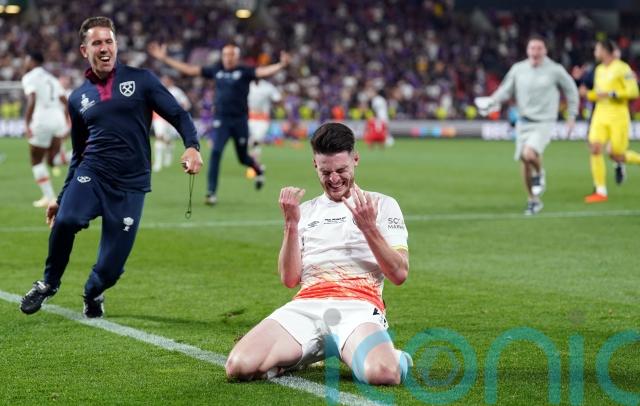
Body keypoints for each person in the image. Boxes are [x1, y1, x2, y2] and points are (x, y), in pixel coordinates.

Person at [19, 16, 203, 318]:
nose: (104, 48)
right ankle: (48, 283)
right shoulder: (78, 98)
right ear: (84, 50)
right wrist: (61, 198)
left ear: (116, 46)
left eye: (109, 41)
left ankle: (93, 292)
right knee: (65, 220)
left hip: (131, 184)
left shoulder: (142, 80)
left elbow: (178, 114)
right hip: (92, 173)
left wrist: (192, 145)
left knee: (111, 268)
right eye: (97, 43)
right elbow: (78, 153)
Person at [225, 122, 412, 385]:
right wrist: (290, 224)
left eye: (341, 170)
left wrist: (369, 228)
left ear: (355, 160)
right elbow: (290, 279)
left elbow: (400, 273)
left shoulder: (381, 205)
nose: (334, 179)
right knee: (238, 366)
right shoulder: (306, 211)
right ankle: (308, 354)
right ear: (315, 165)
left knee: (384, 373)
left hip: (357, 307)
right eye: (325, 172)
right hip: (307, 306)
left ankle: (396, 357)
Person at [148, 42, 290, 206]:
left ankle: (258, 169)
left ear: (237, 57)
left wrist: (281, 65)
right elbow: (190, 69)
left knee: (243, 157)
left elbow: (262, 71)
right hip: (221, 120)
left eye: (232, 55)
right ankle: (211, 192)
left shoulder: (244, 71)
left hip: (240, 121)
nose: (228, 58)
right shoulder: (217, 70)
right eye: (225, 55)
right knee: (215, 153)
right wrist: (165, 58)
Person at [475, 35, 579, 215]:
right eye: (532, 48)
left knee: (528, 153)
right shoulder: (519, 69)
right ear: (527, 50)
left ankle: (540, 173)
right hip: (523, 122)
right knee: (524, 161)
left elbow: (571, 91)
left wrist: (572, 116)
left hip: (544, 121)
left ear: (545, 50)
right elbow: (505, 90)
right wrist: (492, 101)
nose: (535, 52)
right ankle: (533, 200)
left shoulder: (555, 70)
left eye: (539, 48)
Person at [581, 40, 640, 203]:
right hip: (600, 114)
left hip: (618, 116)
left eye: (597, 49)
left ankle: (624, 163)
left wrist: (611, 94)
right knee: (595, 148)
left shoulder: (623, 68)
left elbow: (633, 91)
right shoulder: (599, 70)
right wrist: (588, 94)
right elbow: (599, 93)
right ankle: (600, 191)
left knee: (616, 155)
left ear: (605, 51)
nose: (595, 52)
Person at [21, 51, 70, 207]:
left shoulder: (29, 77)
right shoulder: (52, 78)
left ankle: (49, 198)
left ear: (32, 61)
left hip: (42, 119)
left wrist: (27, 122)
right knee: (53, 159)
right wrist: (67, 121)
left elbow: (32, 98)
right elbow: (65, 101)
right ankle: (80, 154)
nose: (25, 63)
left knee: (36, 160)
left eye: (26, 60)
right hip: (58, 119)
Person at [152, 75, 192, 172]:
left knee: (167, 139)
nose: (164, 81)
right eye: (163, 80)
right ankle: (158, 163)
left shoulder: (176, 91)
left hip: (171, 119)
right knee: (159, 137)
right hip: (158, 118)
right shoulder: (156, 89)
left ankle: (168, 153)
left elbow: (187, 104)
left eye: (166, 80)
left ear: (170, 81)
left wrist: (179, 113)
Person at [245, 78, 282, 178]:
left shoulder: (267, 87)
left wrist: (274, 106)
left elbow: (278, 98)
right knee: (251, 143)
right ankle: (255, 164)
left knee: (256, 140)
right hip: (250, 118)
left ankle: (253, 165)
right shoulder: (247, 84)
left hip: (262, 119)